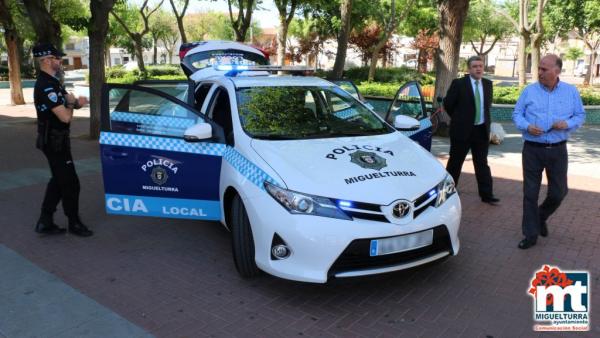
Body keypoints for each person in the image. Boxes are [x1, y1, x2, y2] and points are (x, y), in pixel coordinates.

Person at [512, 54, 585, 249]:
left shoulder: (570, 92)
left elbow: (580, 115)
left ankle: (540, 216)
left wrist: (567, 123)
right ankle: (530, 235)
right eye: (540, 68)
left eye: (544, 69)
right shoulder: (530, 91)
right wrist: (527, 126)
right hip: (532, 150)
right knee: (530, 193)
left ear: (557, 71)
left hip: (558, 150)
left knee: (559, 192)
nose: (540, 72)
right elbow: (517, 114)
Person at [33, 43, 93, 237]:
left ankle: (45, 220)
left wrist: (77, 102)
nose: (60, 61)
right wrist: (72, 104)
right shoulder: (45, 85)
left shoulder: (54, 81)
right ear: (47, 60)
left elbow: (69, 100)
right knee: (70, 183)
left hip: (58, 140)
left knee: (58, 180)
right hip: (53, 141)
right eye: (57, 58)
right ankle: (74, 223)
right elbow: (65, 116)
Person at [443, 55, 499, 205]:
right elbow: (448, 104)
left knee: (482, 164)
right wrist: (459, 118)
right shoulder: (459, 84)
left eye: (480, 66)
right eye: (475, 66)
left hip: (481, 131)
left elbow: (487, 106)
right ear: (469, 69)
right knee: (455, 162)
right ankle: (447, 192)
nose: (478, 69)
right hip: (461, 131)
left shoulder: (488, 84)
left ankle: (487, 195)